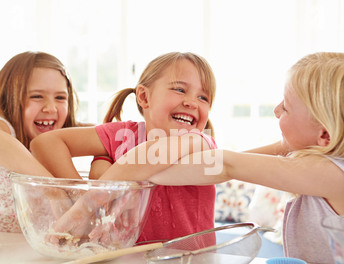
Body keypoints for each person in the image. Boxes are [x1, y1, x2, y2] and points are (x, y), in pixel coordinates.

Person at [146, 52, 344, 264]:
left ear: (325, 134)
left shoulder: (333, 174)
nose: (276, 111)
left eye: (285, 107)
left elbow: (227, 164)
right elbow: (245, 159)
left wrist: (138, 169)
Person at [31, 52, 217, 243]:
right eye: (180, 90)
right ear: (144, 97)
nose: (192, 102)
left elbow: (154, 154)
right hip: (128, 262)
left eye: (203, 97)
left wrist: (93, 200)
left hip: (192, 263)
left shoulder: (202, 143)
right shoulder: (123, 136)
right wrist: (79, 194)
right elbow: (45, 143)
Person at [0, 51, 88, 232]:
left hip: (57, 243)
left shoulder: (64, 133)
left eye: (60, 97)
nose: (50, 108)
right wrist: (54, 191)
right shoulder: (4, 129)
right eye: (37, 96)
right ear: (8, 97)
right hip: (9, 246)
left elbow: (108, 135)